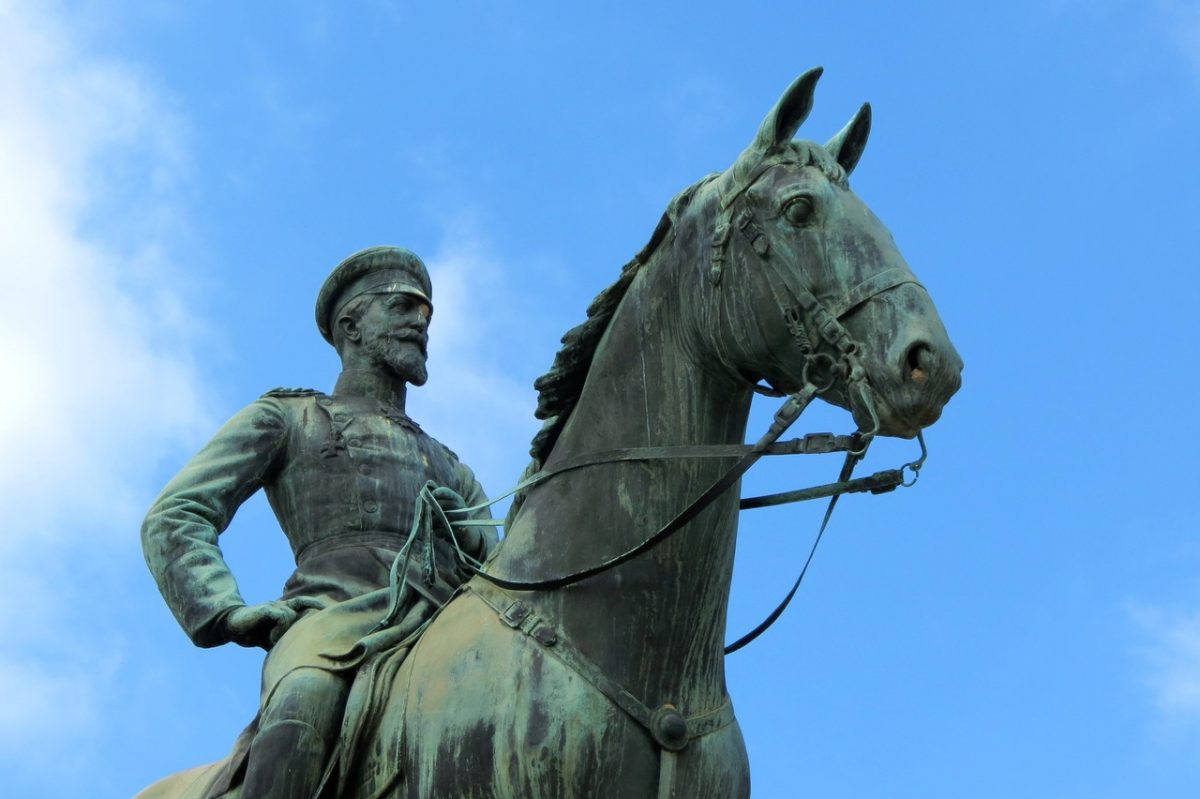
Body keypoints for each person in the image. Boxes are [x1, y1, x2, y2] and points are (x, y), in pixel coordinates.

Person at [142, 245, 496, 799]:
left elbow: (499, 569)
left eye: (427, 314)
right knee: (304, 699)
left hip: (449, 628)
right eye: (403, 307)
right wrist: (225, 612)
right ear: (352, 325)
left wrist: (471, 534)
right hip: (332, 621)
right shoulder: (289, 418)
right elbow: (176, 514)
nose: (420, 324)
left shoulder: (452, 465)